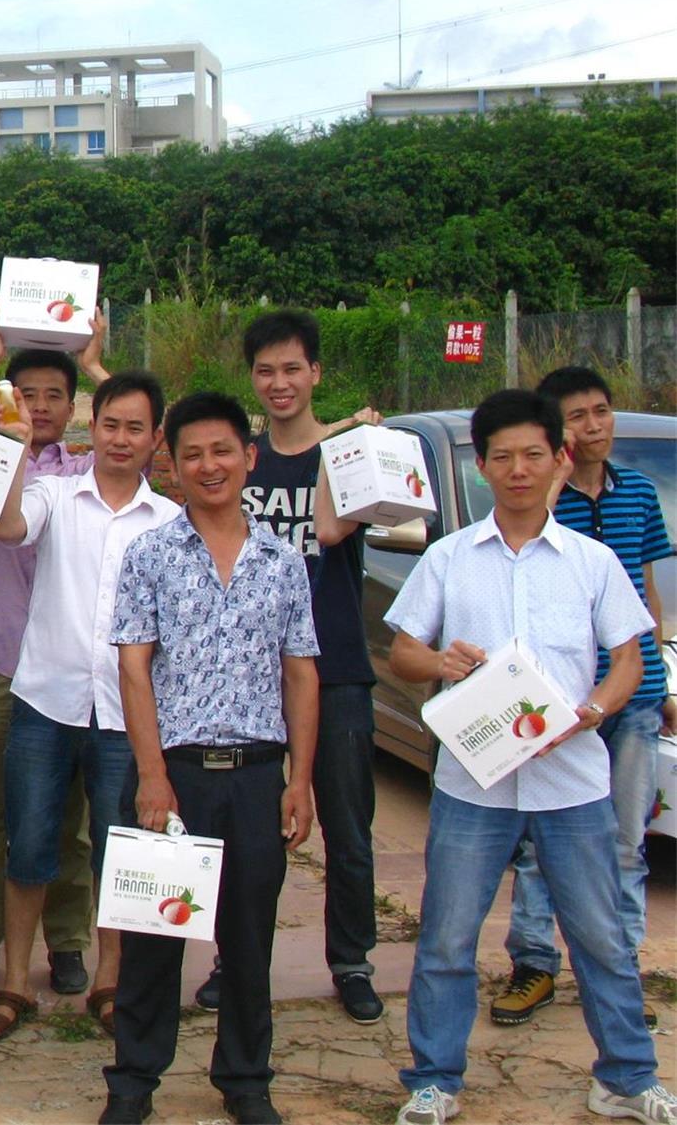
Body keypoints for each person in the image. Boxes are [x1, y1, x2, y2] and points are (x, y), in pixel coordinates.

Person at [384, 389, 669, 1125]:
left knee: (601, 937)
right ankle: (435, 1080)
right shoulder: (450, 558)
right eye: (502, 456)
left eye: (532, 455)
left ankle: (626, 1078)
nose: (518, 470)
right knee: (448, 937)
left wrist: (592, 711)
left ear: (558, 459)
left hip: (572, 782)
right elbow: (405, 652)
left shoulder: (592, 562)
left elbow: (630, 661)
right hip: (472, 784)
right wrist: (441, 662)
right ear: (482, 465)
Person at [101, 394, 319, 1125]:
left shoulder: (282, 562)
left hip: (256, 776)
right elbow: (134, 669)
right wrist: (152, 776)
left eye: (222, 450)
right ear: (172, 465)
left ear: (249, 457)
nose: (209, 465)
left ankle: (246, 1078)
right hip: (175, 776)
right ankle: (133, 1080)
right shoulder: (151, 553)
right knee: (153, 938)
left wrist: (300, 780)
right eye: (191, 454)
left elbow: (300, 673)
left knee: (248, 939)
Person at [0, 371, 178, 1043]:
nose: (120, 439)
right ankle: (14, 981)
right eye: (110, 425)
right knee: (29, 846)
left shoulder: (169, 523)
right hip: (46, 700)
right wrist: (12, 449)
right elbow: (7, 526)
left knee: (118, 852)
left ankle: (110, 979)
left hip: (126, 715)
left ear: (155, 438)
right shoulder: (55, 494)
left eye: (135, 428)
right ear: (91, 430)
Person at [0, 306, 111, 1001]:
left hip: (69, 670)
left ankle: (67, 943)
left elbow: (150, 429)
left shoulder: (88, 471)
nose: (39, 406)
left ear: (75, 407)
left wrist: (95, 362)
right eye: (26, 393)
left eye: (54, 395)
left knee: (70, 818)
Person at [493, 366, 672, 1029]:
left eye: (601, 411)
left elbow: (646, 590)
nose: (594, 426)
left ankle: (618, 975)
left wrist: (659, 677)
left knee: (625, 845)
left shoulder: (640, 493)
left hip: (633, 697)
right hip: (558, 704)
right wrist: (555, 481)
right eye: (577, 416)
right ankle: (534, 963)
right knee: (541, 842)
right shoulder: (539, 498)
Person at [231, 309, 386, 1025]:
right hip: (252, 673)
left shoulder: (352, 455)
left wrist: (352, 438)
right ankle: (236, 964)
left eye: (293, 368)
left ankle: (352, 962)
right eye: (266, 370)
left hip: (337, 668)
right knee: (250, 835)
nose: (280, 382)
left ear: (316, 372)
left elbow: (331, 529)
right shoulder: (243, 462)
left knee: (348, 831)